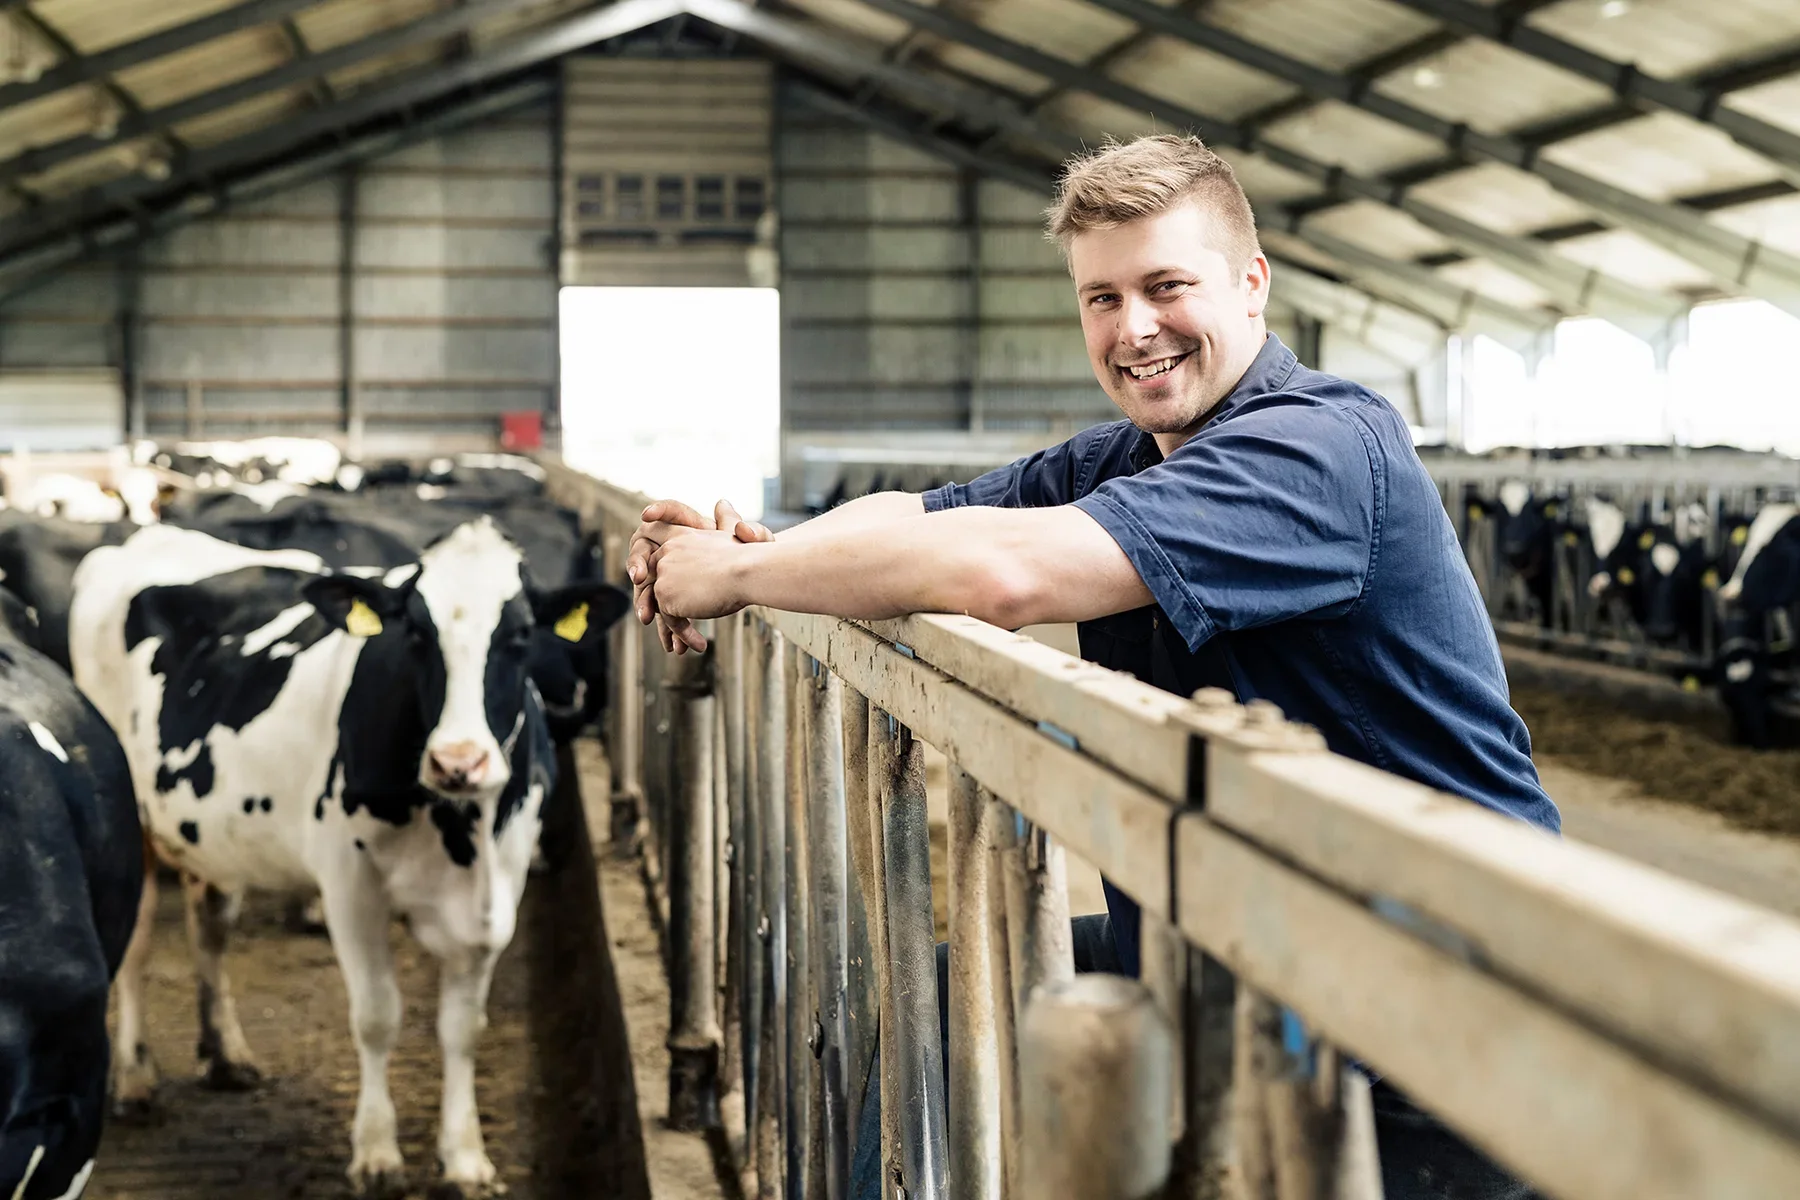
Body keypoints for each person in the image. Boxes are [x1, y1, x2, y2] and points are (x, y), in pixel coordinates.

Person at [626, 133, 1557, 1200]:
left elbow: (1011, 575)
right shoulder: (1122, 456)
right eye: (1101, 299)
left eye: (1166, 287)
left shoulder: (1317, 448)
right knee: (948, 986)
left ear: (1253, 285)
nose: (1134, 329)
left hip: (1428, 1000)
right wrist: (755, 551)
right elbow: (923, 515)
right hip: (1235, 937)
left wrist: (736, 583)